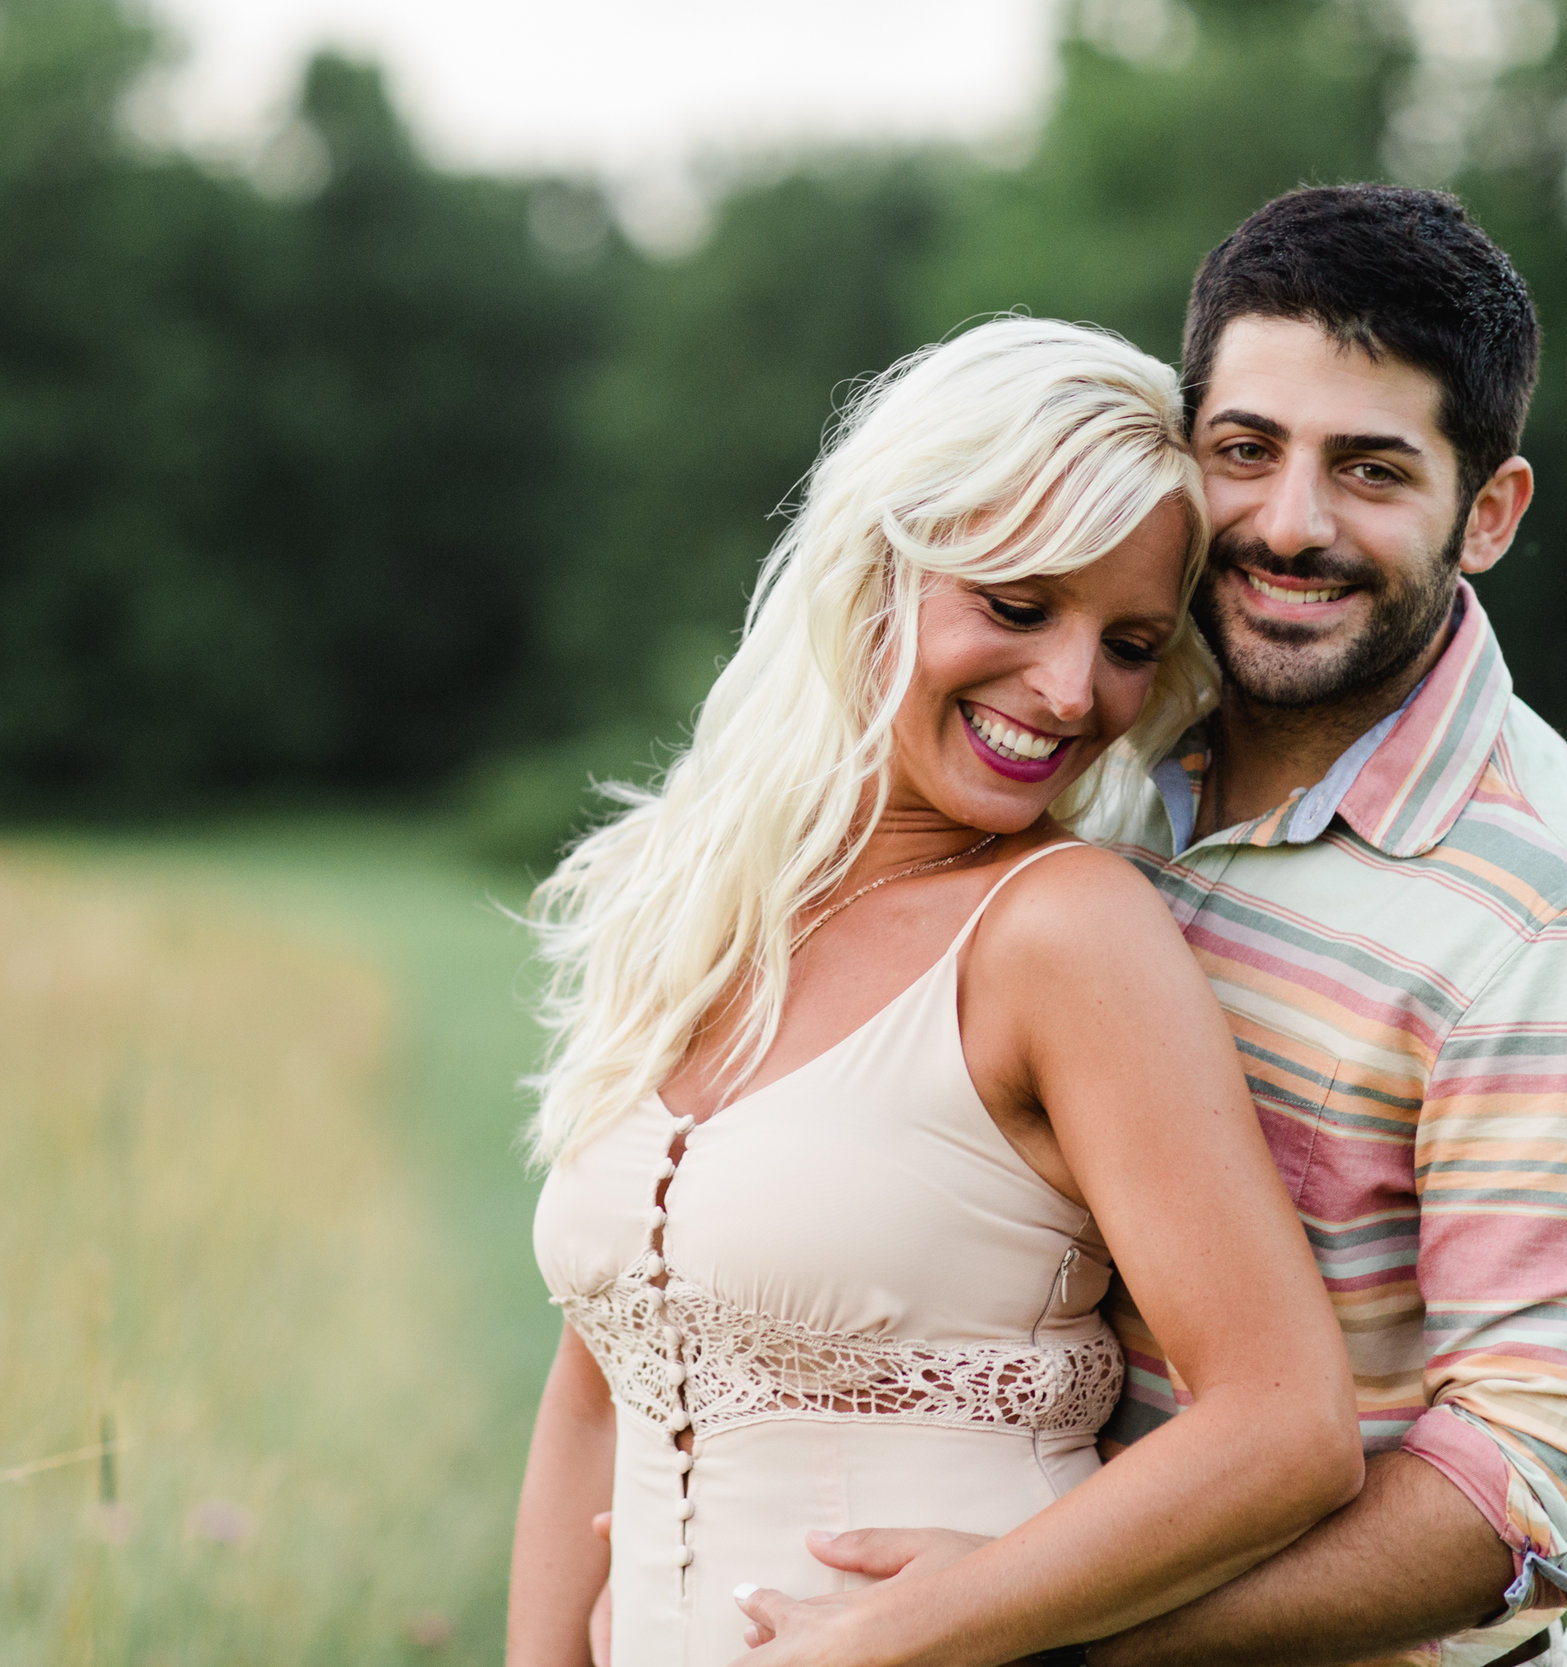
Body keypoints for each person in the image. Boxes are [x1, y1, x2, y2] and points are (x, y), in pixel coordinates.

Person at [782, 188, 1567, 1666]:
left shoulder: (1565, 925)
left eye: (1370, 470)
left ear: (1487, 513)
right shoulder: (1088, 750)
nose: (1290, 525)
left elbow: (1531, 1492)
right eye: (1247, 452)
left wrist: (1043, 1632)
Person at [508, 317, 1366, 1667]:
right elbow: (596, 1391)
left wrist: (901, 1633)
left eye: (1133, 643)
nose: (1074, 689)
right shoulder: (691, 910)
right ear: (877, 568)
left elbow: (1285, 1424)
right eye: (1018, 606)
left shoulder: (1067, 934)